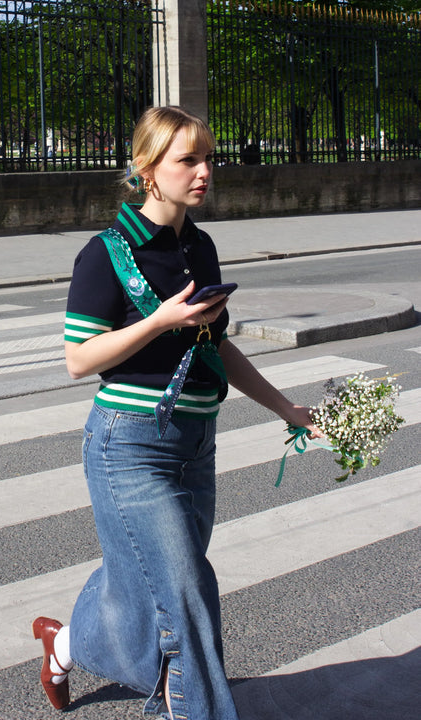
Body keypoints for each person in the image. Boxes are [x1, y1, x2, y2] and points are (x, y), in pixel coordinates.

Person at [32, 105, 321, 720]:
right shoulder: (105, 253)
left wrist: (284, 408)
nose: (204, 171)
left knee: (149, 586)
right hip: (130, 446)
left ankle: (66, 643)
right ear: (147, 169)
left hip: (196, 442)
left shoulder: (199, 246)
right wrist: (159, 320)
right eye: (187, 159)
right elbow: (79, 359)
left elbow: (215, 346)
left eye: (208, 158)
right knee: (187, 593)